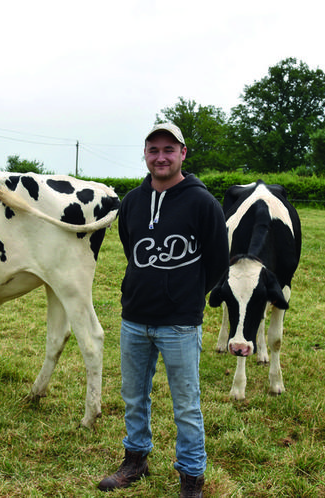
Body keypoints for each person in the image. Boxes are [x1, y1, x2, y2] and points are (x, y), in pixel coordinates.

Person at [97, 123, 229, 498]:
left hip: (180, 324)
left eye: (169, 149)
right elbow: (131, 249)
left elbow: (219, 260)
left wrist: (187, 295)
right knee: (134, 396)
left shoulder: (203, 203)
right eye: (153, 149)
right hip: (135, 318)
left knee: (186, 405)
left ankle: (191, 478)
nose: (160, 156)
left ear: (183, 153)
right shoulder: (133, 202)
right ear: (144, 154)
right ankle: (135, 460)